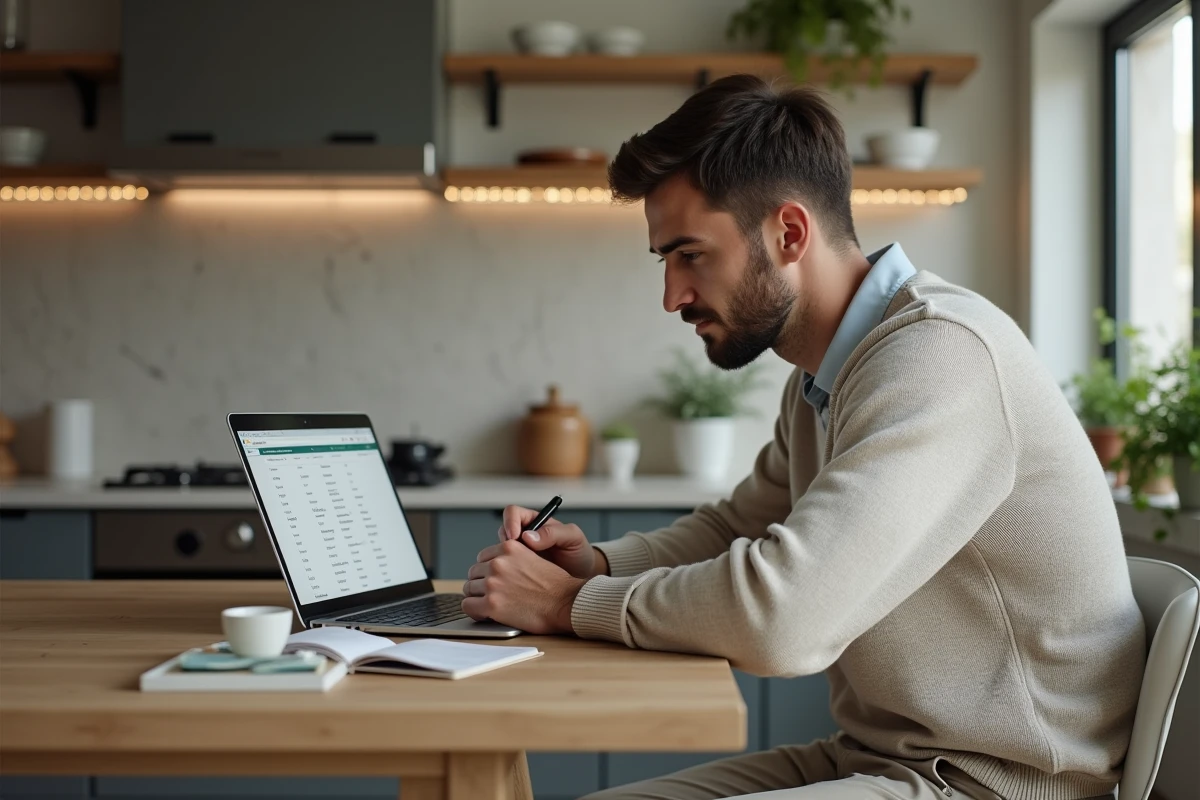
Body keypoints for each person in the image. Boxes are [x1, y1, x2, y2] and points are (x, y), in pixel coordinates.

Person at [461, 74, 1146, 800]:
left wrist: (565, 607)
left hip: (997, 782)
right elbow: (737, 526)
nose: (672, 296)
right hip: (882, 759)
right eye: (664, 261)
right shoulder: (827, 376)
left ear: (788, 233)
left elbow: (783, 618)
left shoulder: (942, 357)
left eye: (690, 254)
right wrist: (595, 564)